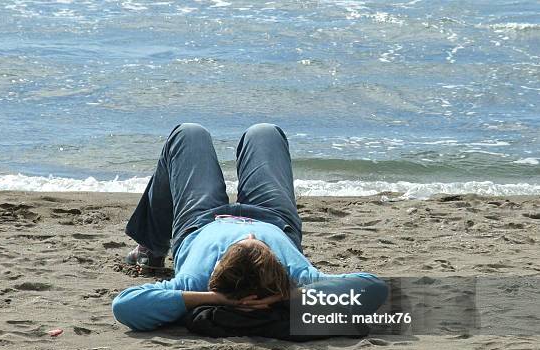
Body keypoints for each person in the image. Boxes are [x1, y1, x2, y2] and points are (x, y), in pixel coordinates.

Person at [112, 123, 388, 332]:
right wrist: (287, 295)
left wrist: (213, 298)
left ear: (220, 264)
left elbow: (125, 306)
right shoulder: (297, 276)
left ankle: (151, 247)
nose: (249, 233)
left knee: (188, 134)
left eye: (244, 242)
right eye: (258, 244)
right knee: (265, 133)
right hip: (274, 218)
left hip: (201, 221)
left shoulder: (195, 280)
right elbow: (374, 286)